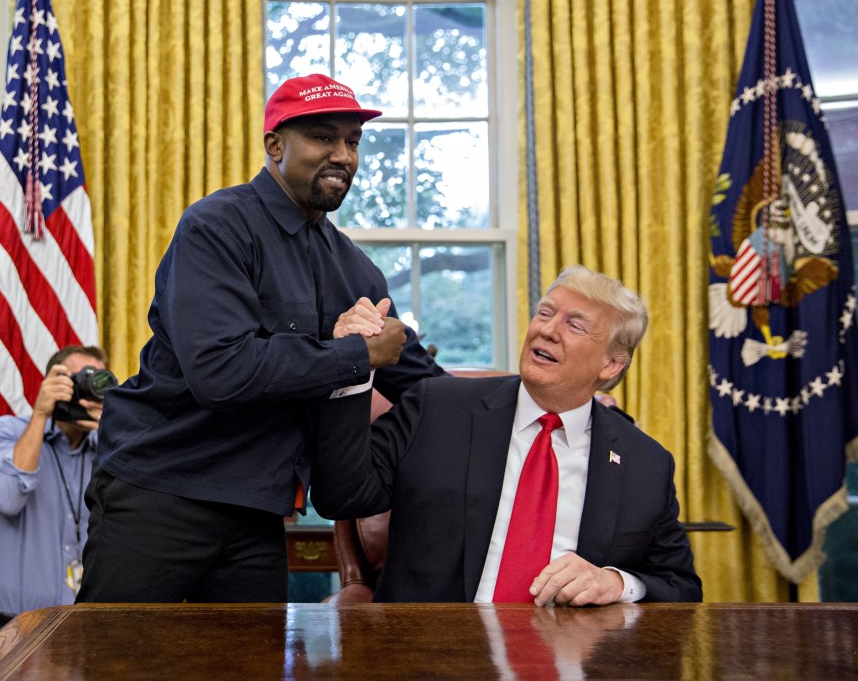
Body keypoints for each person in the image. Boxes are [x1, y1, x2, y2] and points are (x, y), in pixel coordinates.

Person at [76, 73, 444, 605]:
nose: (343, 154)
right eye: (323, 137)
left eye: (353, 141)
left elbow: (421, 383)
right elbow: (220, 372)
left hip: (258, 512)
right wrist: (357, 354)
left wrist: (512, 407)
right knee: (117, 663)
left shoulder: (355, 271)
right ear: (275, 145)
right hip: (161, 492)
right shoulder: (216, 227)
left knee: (249, 665)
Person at [309, 264, 702, 604]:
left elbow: (680, 586)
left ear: (611, 365)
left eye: (575, 325)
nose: (547, 330)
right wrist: (351, 367)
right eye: (544, 313)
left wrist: (616, 582)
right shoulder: (438, 407)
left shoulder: (645, 463)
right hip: (434, 655)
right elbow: (340, 495)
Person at [0, 345, 107, 650]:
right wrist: (40, 415)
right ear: (50, 383)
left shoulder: (109, 446)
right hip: (10, 630)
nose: (87, 388)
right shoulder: (4, 432)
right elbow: (7, 498)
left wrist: (113, 432)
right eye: (77, 380)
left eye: (96, 380)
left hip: (83, 629)